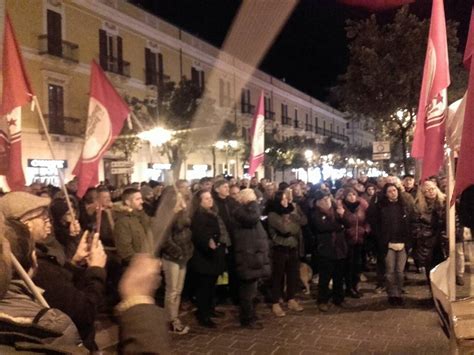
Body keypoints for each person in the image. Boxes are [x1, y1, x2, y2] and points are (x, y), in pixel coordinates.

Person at [372, 183, 416, 306]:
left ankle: (399, 293)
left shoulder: (404, 207)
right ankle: (392, 294)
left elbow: (410, 224)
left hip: (402, 243)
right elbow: (377, 225)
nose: (393, 193)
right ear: (385, 194)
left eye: (395, 190)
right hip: (388, 243)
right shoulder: (381, 208)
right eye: (390, 191)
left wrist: (409, 242)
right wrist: (382, 240)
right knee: (390, 271)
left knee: (400, 271)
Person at [233, 189, 270, 328]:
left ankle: (251, 314)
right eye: (253, 197)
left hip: (253, 254)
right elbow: (253, 218)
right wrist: (253, 203)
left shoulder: (245, 211)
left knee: (252, 290)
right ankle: (247, 318)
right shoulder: (240, 212)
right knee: (247, 291)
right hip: (248, 255)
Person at [159, 187, 194, 335]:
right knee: (172, 290)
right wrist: (177, 252)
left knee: (178, 290)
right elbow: (165, 239)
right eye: (178, 197)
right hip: (172, 257)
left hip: (183, 255)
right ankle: (170, 320)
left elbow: (187, 231)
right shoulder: (167, 216)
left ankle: (175, 317)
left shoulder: (181, 213)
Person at [189, 190, 226, 328]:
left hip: (214, 255)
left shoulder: (212, 213)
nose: (209, 200)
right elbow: (199, 234)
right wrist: (209, 242)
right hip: (204, 256)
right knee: (204, 287)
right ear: (199, 201)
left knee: (211, 285)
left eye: (210, 198)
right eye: (206, 199)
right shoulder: (199, 216)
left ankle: (210, 309)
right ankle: (203, 315)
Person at [267, 190, 304, 317]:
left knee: (292, 274)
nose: (285, 201)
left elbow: (302, 223)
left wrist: (293, 224)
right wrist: (293, 226)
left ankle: (291, 298)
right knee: (278, 276)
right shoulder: (272, 214)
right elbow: (284, 229)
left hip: (292, 247)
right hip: (280, 248)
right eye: (282, 199)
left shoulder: (291, 212)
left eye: (286, 199)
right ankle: (275, 302)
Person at [311, 191, 348, 312]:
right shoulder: (316, 214)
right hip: (325, 248)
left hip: (339, 247)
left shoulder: (337, 210)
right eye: (323, 199)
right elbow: (322, 227)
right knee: (325, 277)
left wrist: (342, 216)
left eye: (327, 198)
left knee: (339, 275)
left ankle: (338, 298)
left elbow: (347, 224)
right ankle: (323, 300)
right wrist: (339, 226)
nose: (326, 201)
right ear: (318, 202)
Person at [413, 180, 446, 282]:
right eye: (427, 190)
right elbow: (415, 223)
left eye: (432, 189)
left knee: (444, 268)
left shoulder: (444, 202)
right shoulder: (419, 206)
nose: (431, 192)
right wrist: (421, 235)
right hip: (427, 241)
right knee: (431, 268)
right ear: (423, 193)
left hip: (443, 239)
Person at [340, 188, 369, 298]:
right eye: (349, 195)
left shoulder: (361, 207)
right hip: (347, 240)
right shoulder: (342, 207)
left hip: (360, 239)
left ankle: (355, 285)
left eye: (353, 195)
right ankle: (348, 287)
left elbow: (366, 221)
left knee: (358, 265)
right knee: (348, 265)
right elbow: (342, 222)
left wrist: (366, 230)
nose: (352, 197)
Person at [114, 188, 154, 266]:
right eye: (138, 199)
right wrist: (142, 263)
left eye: (141, 198)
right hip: (135, 268)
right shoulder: (123, 222)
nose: (142, 201)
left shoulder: (141, 216)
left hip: (147, 263)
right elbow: (125, 251)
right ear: (128, 202)